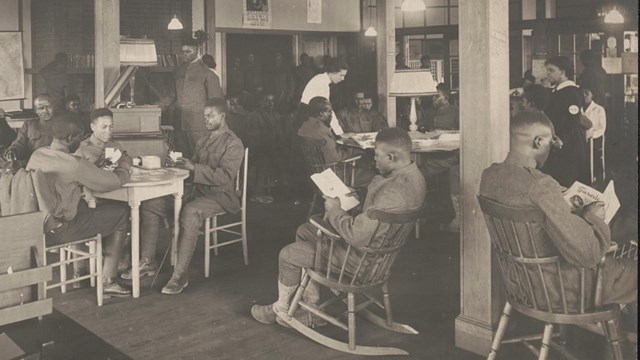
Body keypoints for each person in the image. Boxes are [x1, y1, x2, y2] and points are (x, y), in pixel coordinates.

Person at [479, 110, 636, 355]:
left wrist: (559, 200)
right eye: (550, 141)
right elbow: (588, 255)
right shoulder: (540, 186)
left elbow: (530, 202)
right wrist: (594, 217)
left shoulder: (490, 176)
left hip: (520, 284)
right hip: (560, 290)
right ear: (537, 142)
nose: (552, 148)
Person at [250, 127, 426, 326]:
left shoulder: (393, 193)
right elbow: (381, 216)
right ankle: (312, 307)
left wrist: (335, 209)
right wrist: (358, 198)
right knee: (305, 230)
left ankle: (280, 309)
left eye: (377, 155)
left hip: (363, 261)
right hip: (378, 252)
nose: (374, 160)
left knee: (288, 255)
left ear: (392, 157)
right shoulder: (414, 177)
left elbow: (356, 235)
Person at [129, 98, 244, 295]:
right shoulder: (203, 140)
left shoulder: (233, 143)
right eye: (204, 116)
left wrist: (194, 168)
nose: (206, 120)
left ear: (223, 116)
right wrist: (181, 163)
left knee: (190, 213)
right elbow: (194, 166)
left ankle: (180, 275)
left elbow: (225, 177)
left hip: (220, 196)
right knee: (151, 204)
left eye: (210, 116)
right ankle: (148, 261)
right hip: (196, 191)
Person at [26, 115, 132, 297]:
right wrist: (124, 163)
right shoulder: (74, 163)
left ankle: (81, 271)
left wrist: (93, 169)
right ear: (69, 139)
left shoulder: (37, 154)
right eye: (79, 138)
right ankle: (108, 280)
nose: (81, 141)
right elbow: (113, 182)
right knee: (121, 213)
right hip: (60, 230)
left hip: (36, 227)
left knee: (85, 207)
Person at [298, 97, 374, 188]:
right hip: (332, 175)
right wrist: (357, 155)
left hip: (315, 173)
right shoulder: (321, 130)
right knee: (374, 177)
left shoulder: (305, 125)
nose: (331, 114)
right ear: (321, 113)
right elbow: (334, 157)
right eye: (329, 111)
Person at [169, 38, 223, 159]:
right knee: (181, 160)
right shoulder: (177, 71)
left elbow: (215, 103)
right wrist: (154, 108)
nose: (184, 55)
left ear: (197, 51)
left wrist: (214, 127)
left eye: (188, 51)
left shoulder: (208, 73)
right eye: (182, 51)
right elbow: (171, 96)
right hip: (179, 125)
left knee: (200, 160)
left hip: (199, 126)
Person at [542, 56, 590, 187]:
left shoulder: (572, 92)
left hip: (569, 144)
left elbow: (573, 119)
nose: (548, 74)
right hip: (558, 143)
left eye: (551, 70)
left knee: (568, 181)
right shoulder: (557, 91)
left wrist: (562, 139)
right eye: (547, 70)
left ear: (563, 72)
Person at [247, 92, 292, 204]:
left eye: (272, 101)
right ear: (259, 102)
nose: (270, 104)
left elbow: (280, 135)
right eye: (267, 101)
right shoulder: (253, 117)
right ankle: (258, 194)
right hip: (257, 150)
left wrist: (284, 146)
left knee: (289, 155)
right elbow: (254, 139)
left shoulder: (275, 116)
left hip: (273, 148)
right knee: (265, 158)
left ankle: (288, 191)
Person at [3, 94, 57, 164]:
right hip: (31, 163)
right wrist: (13, 150)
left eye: (49, 107)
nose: (45, 111)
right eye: (41, 108)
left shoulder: (63, 125)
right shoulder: (28, 125)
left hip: (53, 163)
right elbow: (19, 143)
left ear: (54, 107)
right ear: (35, 110)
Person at [582, 88, 607, 183]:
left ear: (592, 95)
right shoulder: (578, 108)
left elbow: (602, 128)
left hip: (594, 140)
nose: (584, 95)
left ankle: (595, 180)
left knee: (594, 159)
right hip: (581, 140)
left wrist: (591, 135)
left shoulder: (599, 109)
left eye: (587, 93)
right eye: (582, 93)